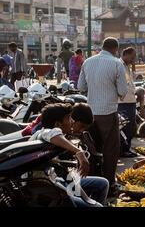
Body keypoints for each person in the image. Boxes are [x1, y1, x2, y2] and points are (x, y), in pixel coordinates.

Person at [29, 103, 109, 207]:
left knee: (102, 184)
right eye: (68, 118)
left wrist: (86, 199)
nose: (72, 122)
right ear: (58, 124)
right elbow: (51, 133)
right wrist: (79, 153)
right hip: (49, 189)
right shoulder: (43, 133)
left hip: (62, 180)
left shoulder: (62, 137)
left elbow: (67, 174)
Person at [78, 37, 128, 195]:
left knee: (91, 149)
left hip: (90, 112)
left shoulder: (88, 62)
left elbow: (80, 87)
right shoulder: (116, 63)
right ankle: (109, 184)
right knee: (110, 150)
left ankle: (92, 181)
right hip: (108, 112)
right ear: (115, 49)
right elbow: (122, 91)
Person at [118, 47, 138, 158]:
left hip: (130, 100)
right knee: (125, 127)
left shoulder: (127, 66)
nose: (133, 59)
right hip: (123, 101)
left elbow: (132, 79)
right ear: (125, 54)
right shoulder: (119, 65)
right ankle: (124, 150)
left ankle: (127, 148)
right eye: (132, 57)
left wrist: (133, 65)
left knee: (130, 126)